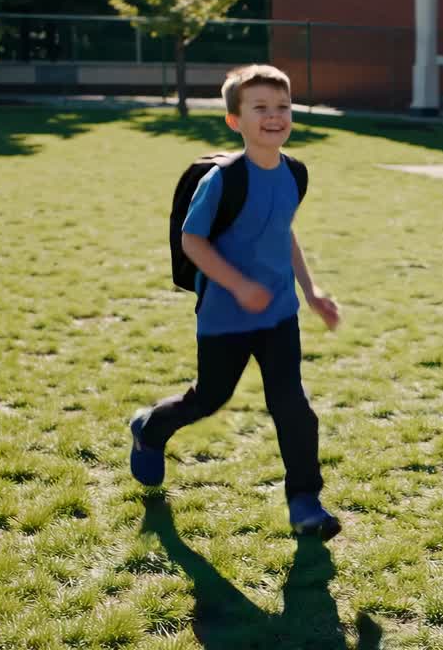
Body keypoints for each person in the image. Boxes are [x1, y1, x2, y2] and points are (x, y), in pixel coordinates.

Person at [128, 65, 343, 540]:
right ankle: (150, 427)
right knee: (210, 397)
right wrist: (240, 286)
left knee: (293, 406)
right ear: (235, 121)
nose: (274, 116)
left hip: (279, 314)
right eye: (260, 108)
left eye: (282, 107)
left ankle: (305, 501)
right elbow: (192, 241)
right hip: (226, 316)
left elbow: (282, 232)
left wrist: (312, 291)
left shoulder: (294, 173)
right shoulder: (223, 180)